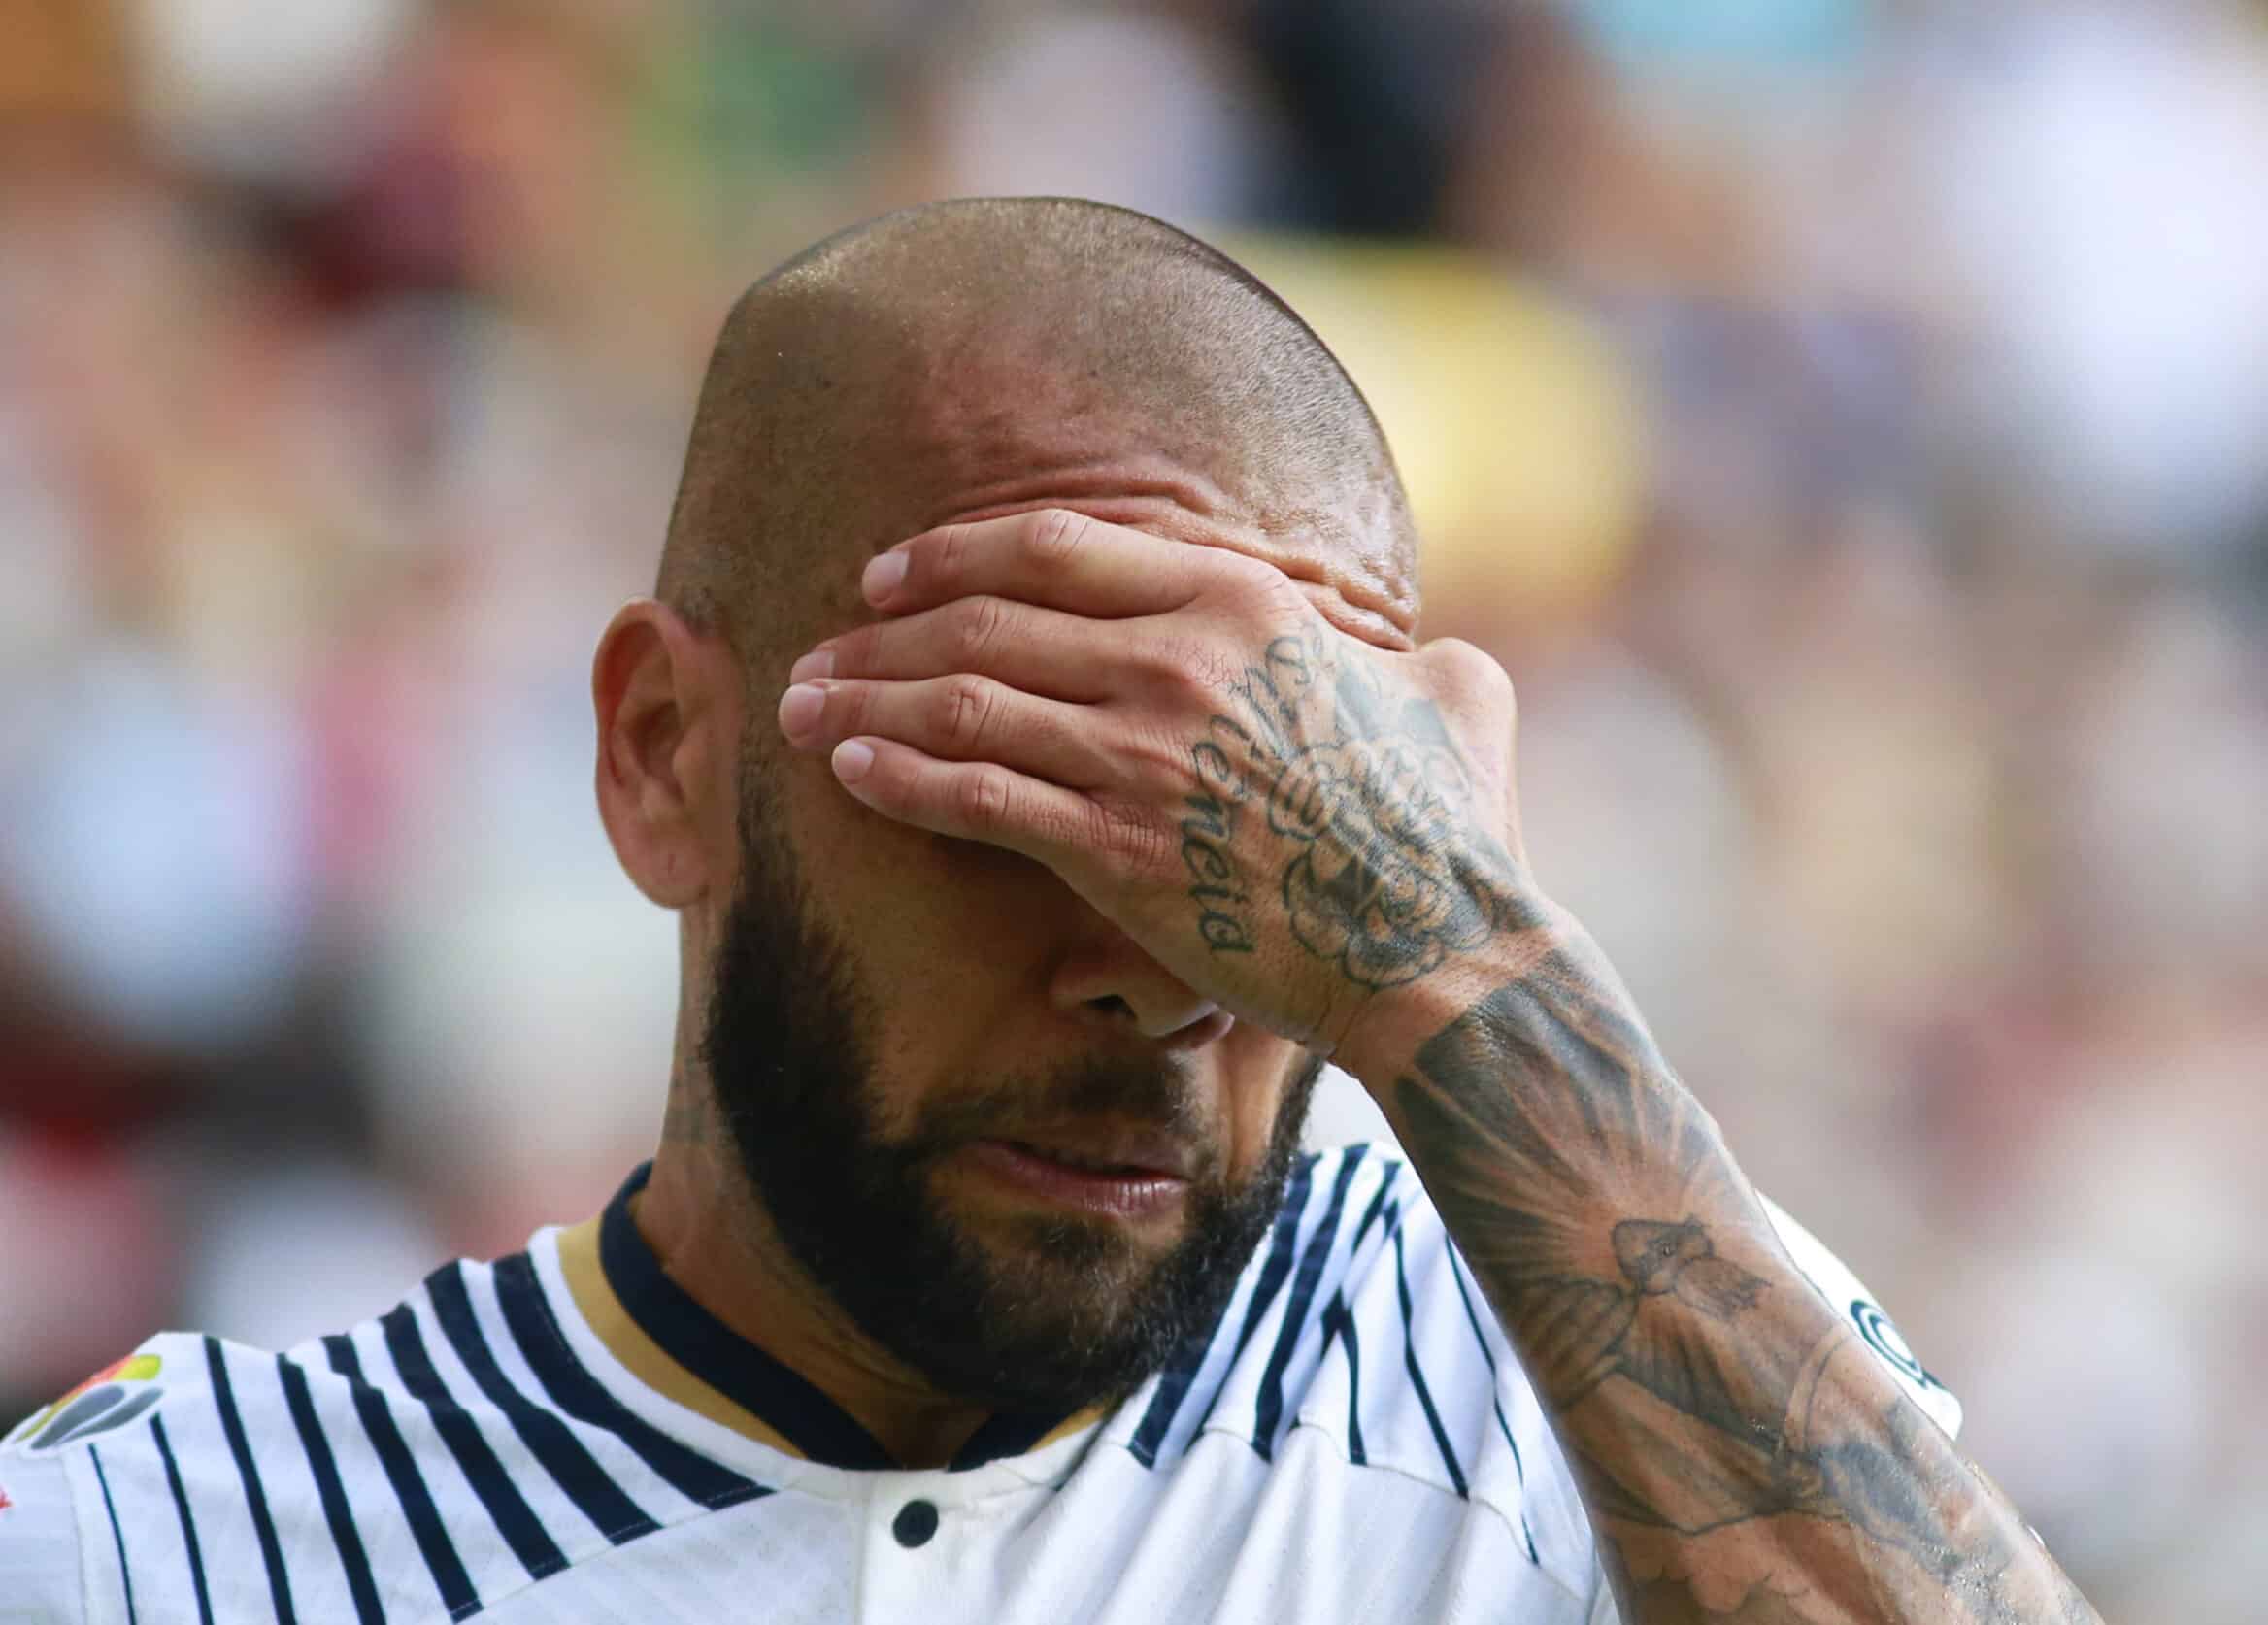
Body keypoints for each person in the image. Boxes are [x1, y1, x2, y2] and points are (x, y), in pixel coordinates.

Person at [0, 198, 2096, 1624]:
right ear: (661, 759)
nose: (1154, 973)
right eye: (1020, 795)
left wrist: (1467, 958)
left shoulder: (1567, 1388)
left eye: (1276, 834)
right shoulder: (171, 1547)